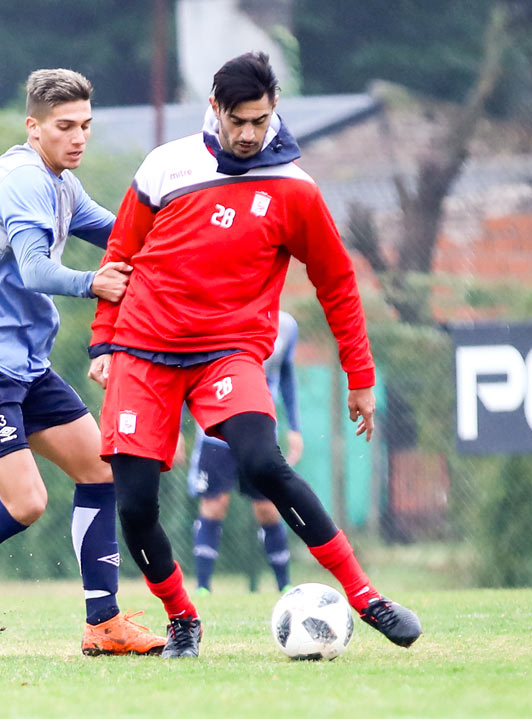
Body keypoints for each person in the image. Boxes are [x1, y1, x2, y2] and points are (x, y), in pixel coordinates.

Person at [87, 51, 422, 658]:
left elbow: (338, 282)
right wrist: (104, 339)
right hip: (143, 349)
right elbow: (120, 251)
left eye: (260, 121)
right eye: (238, 120)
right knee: (134, 505)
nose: (248, 134)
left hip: (228, 353)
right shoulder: (167, 166)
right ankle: (183, 619)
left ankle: (366, 596)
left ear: (274, 114)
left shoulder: (294, 189)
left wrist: (360, 378)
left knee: (264, 464)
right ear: (214, 109)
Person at [0, 68, 166, 658]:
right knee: (28, 503)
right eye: (65, 127)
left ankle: (104, 623)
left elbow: (122, 234)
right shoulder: (23, 180)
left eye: (86, 126)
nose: (78, 138)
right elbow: (34, 269)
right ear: (34, 127)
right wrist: (97, 284)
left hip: (21, 364)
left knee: (100, 469)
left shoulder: (60, 184)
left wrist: (189, 233)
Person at [188, 310, 303, 595]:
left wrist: (295, 427)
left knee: (267, 506)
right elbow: (189, 367)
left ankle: (284, 585)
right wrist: (176, 426)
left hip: (260, 431)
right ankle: (203, 587)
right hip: (215, 431)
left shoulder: (286, 325)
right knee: (214, 504)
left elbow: (286, 375)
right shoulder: (217, 315)